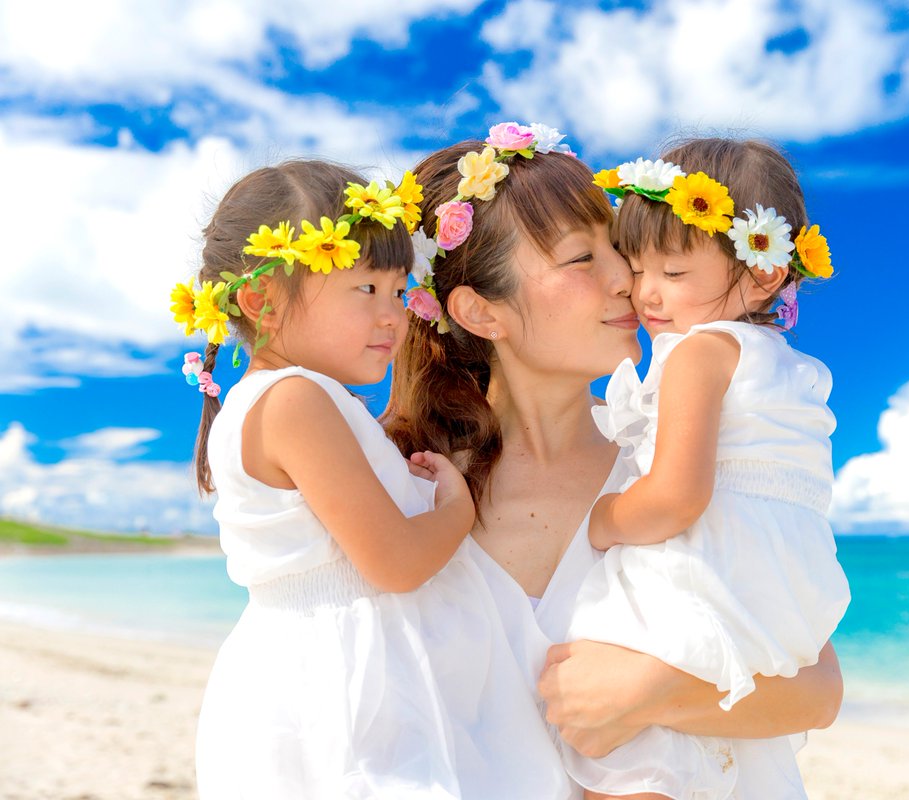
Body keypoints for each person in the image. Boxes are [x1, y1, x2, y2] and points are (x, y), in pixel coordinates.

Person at [384, 126, 844, 799]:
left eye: (623, 251)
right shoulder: (411, 495)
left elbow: (819, 686)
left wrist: (653, 689)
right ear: (481, 311)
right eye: (581, 260)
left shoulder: (667, 462)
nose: (628, 282)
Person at [173, 160, 571, 799]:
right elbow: (395, 563)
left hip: (312, 668)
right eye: (365, 291)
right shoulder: (297, 401)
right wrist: (455, 507)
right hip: (354, 685)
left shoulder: (284, 402)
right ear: (261, 301)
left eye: (397, 290)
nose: (393, 316)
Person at [556, 139, 852, 799]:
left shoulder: (700, 353)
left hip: (694, 576)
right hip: (773, 590)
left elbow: (677, 498)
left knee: (631, 751)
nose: (646, 293)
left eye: (675, 273)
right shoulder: (793, 369)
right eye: (638, 266)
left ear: (763, 274)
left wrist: (598, 520)